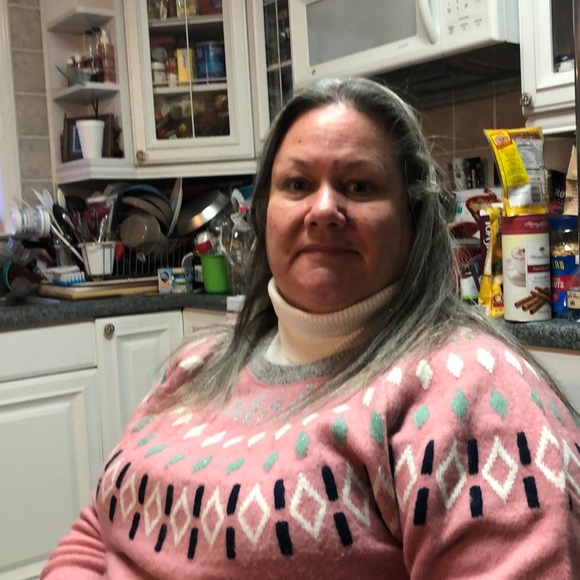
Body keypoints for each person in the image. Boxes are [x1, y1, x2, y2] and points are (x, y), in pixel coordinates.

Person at [42, 77, 579, 579]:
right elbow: (97, 530)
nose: (324, 209)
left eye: (359, 186)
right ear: (264, 214)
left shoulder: (472, 391)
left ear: (413, 220)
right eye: (298, 184)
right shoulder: (198, 365)